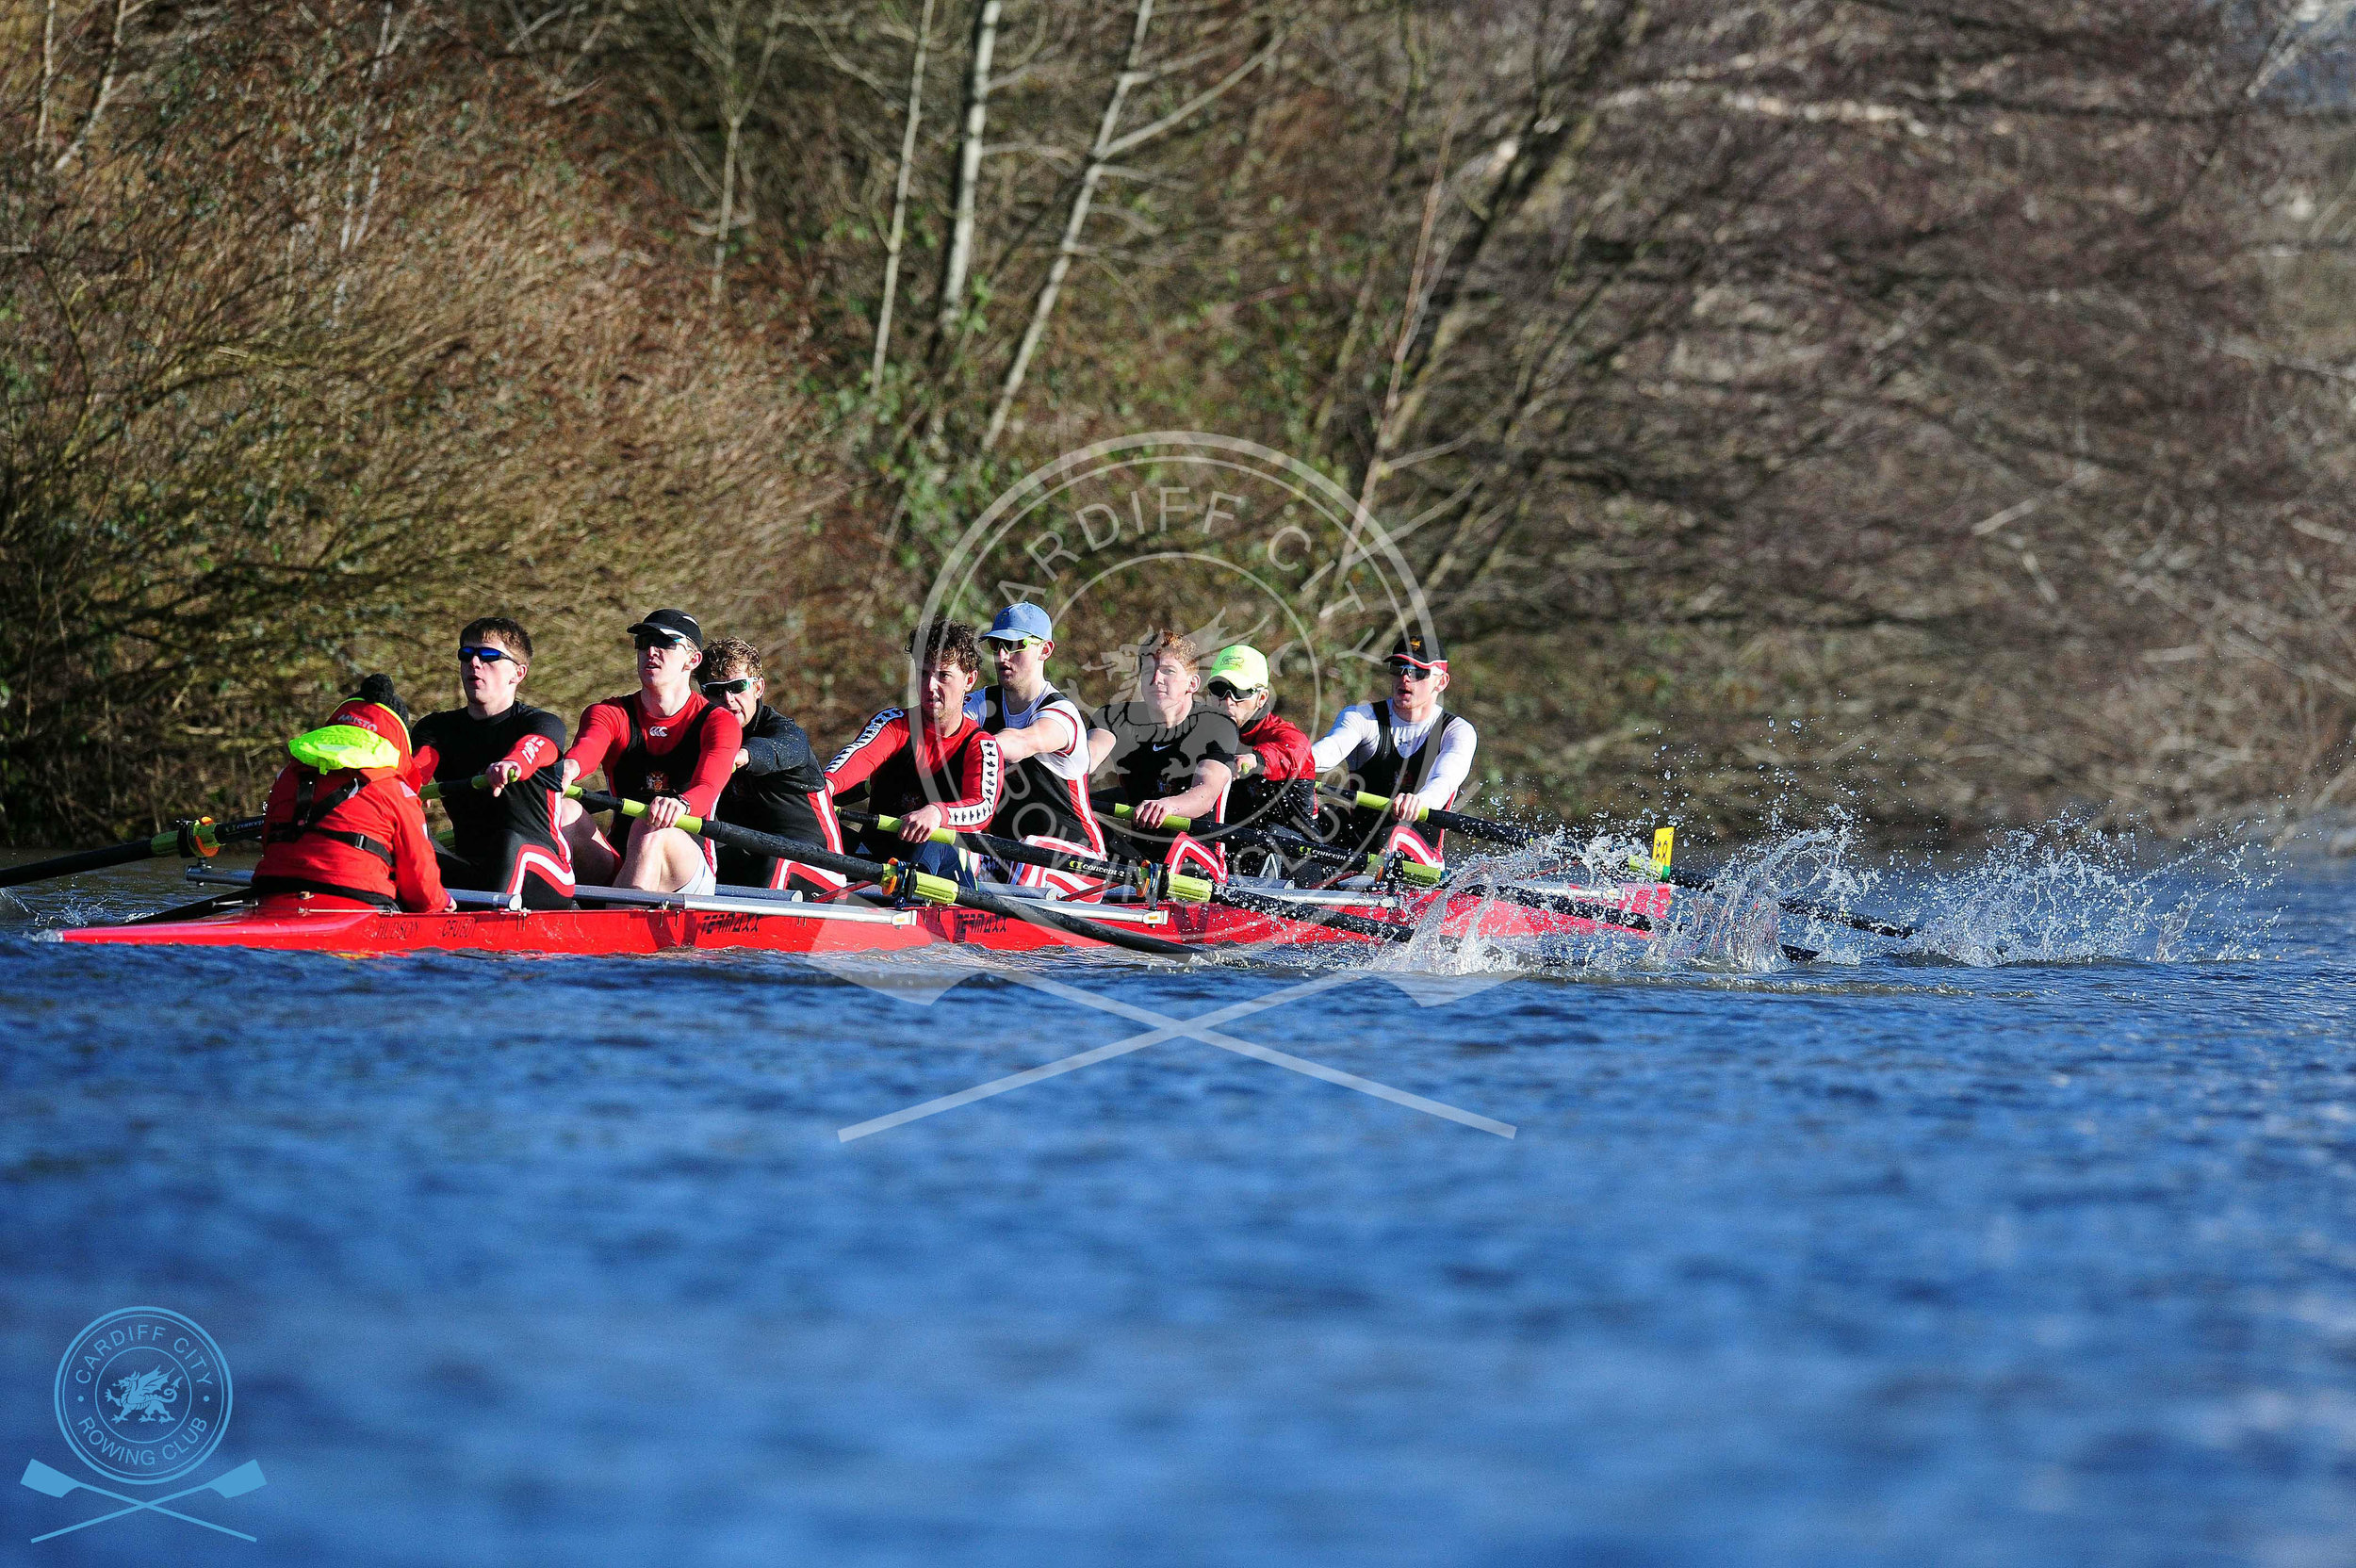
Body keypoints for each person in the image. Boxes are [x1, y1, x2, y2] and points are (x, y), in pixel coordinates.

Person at [556, 609, 744, 895]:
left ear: (692, 660)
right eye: (643, 642)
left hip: (685, 870)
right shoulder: (609, 713)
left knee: (648, 827)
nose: (650, 651)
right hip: (618, 864)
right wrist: (565, 771)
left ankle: (618, 924)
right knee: (563, 809)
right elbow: (586, 751)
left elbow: (707, 787)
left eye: (665, 642)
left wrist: (682, 804)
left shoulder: (719, 722)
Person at [407, 616, 574, 907]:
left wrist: (512, 765)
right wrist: (408, 784)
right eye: (466, 654)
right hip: (474, 868)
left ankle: (487, 927)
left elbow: (535, 750)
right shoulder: (435, 727)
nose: (474, 663)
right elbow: (419, 766)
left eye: (488, 656)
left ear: (518, 674)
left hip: (545, 871)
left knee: (511, 843)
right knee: (409, 833)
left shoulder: (541, 723)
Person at [824, 620, 1004, 889]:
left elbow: (982, 808)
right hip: (877, 860)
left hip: (943, 869)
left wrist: (937, 813)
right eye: (923, 674)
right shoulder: (893, 723)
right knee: (814, 833)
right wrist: (822, 787)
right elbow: (854, 760)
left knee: (932, 837)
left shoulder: (982, 746)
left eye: (943, 676)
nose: (930, 686)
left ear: (969, 680)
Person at [254, 675, 450, 912]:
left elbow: (268, 841)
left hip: (273, 891)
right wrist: (444, 903)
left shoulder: (289, 774)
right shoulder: (397, 789)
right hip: (356, 900)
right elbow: (422, 887)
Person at [1310, 629, 1478, 863]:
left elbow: (1445, 780)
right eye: (1398, 668)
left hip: (1417, 855)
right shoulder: (1361, 717)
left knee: (1391, 834)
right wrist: (1288, 761)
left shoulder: (1457, 731)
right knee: (1316, 818)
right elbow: (1328, 750)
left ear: (1441, 681)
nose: (1405, 678)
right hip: (1360, 850)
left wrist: (1421, 801)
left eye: (1418, 671)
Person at [702, 637, 844, 895]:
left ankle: (750, 932)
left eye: (737, 687)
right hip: (756, 859)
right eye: (715, 691)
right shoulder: (702, 735)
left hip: (821, 868)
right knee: (696, 848)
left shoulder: (784, 731)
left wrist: (741, 756)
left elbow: (782, 749)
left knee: (777, 858)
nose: (728, 699)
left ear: (758, 688)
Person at [968, 604, 1104, 857]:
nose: (1002, 656)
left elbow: (1020, 743)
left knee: (1031, 846)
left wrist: (969, 748)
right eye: (996, 645)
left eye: (1016, 645)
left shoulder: (1062, 715)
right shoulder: (982, 703)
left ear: (1045, 650)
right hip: (1010, 855)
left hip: (1077, 860)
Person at [1087, 629, 1238, 832]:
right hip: (1139, 848)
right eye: (1149, 672)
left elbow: (1205, 793)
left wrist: (1168, 806)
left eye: (1168, 671)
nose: (1156, 679)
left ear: (1192, 684)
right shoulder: (1113, 717)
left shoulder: (1218, 724)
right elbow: (1083, 760)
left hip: (1194, 848)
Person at [1203, 643, 1312, 826]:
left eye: (1239, 692)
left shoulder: (1286, 734)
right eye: (1219, 689)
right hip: (1230, 836)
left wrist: (1256, 760)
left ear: (1261, 698)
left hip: (1289, 840)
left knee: (1270, 832)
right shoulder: (1202, 728)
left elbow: (1296, 750)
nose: (1228, 700)